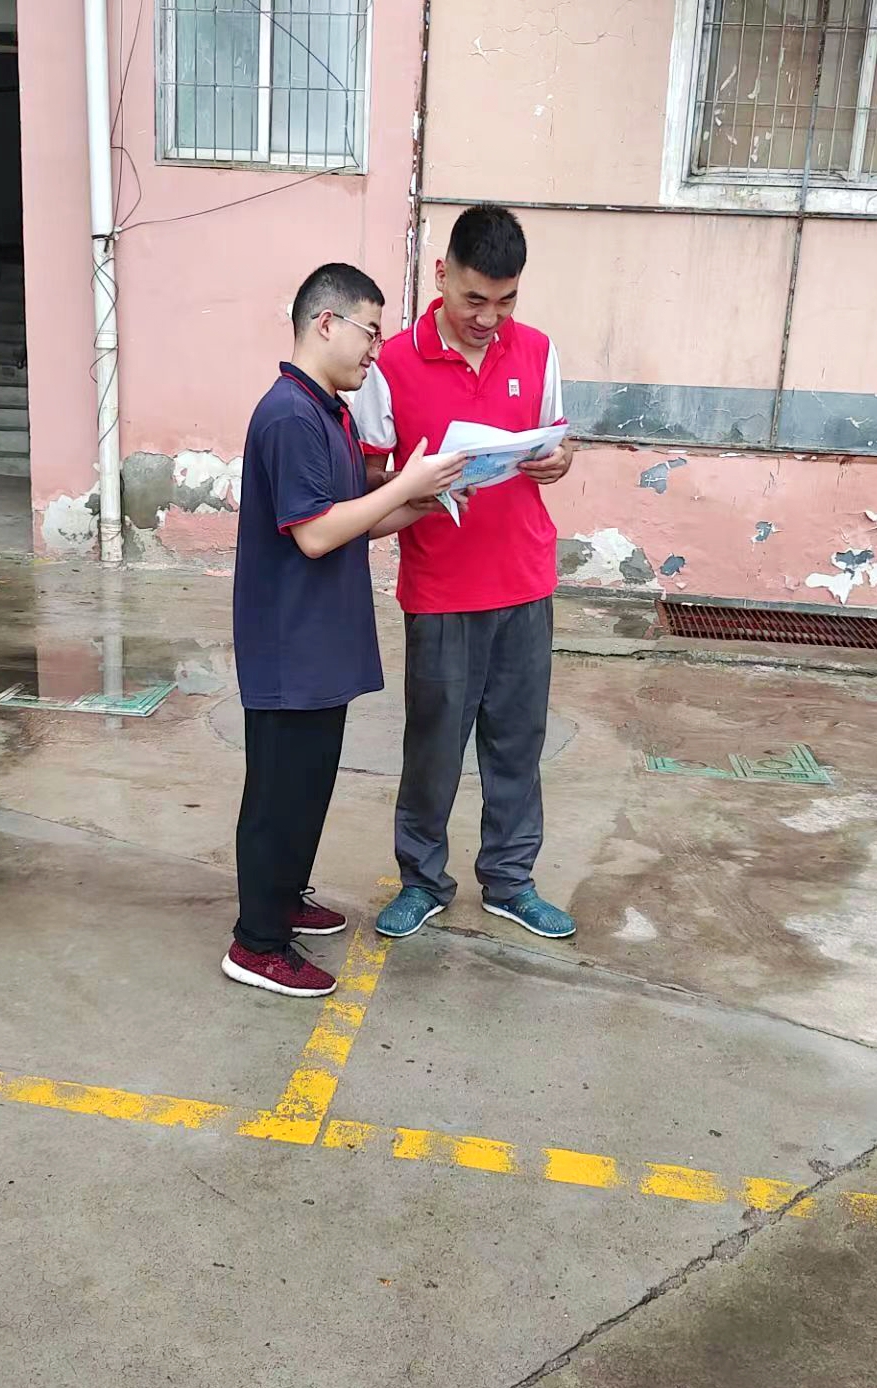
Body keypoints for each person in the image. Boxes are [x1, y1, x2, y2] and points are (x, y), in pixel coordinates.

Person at [223, 263, 466, 998]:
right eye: (371, 331)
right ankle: (257, 942)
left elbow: (352, 520)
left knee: (307, 787)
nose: (376, 350)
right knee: (279, 796)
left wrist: (418, 501)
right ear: (325, 323)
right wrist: (404, 486)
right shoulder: (289, 416)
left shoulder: (328, 411)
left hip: (319, 643)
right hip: (288, 645)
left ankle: (284, 896)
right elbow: (317, 535)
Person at [352, 205, 578, 942]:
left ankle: (511, 881)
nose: (489, 318)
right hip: (443, 588)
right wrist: (418, 484)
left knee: (518, 745)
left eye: (505, 301)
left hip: (525, 581)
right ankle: (422, 880)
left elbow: (558, 443)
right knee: (434, 748)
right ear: (441, 274)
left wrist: (558, 460)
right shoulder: (392, 364)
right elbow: (369, 473)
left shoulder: (537, 351)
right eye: (475, 299)